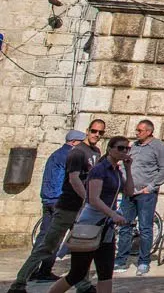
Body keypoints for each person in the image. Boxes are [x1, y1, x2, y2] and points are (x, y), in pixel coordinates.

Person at [8, 120, 105, 293]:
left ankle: (83, 285)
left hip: (81, 209)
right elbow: (74, 179)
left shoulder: (95, 152)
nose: (97, 135)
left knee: (80, 247)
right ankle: (19, 282)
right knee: (48, 246)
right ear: (87, 131)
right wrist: (88, 199)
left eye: (100, 132)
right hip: (67, 206)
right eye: (94, 131)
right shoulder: (77, 152)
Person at [47, 135, 134, 293]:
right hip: (90, 225)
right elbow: (93, 199)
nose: (124, 151)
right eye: (120, 148)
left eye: (127, 149)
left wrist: (128, 169)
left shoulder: (117, 172)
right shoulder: (99, 170)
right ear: (110, 149)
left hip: (105, 229)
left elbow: (129, 191)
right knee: (77, 273)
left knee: (106, 273)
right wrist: (113, 214)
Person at [114, 119, 164, 276]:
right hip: (129, 193)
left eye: (140, 130)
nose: (136, 132)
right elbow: (125, 165)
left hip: (145, 194)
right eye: (137, 130)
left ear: (149, 131)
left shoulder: (157, 147)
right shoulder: (134, 146)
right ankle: (120, 260)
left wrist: (151, 187)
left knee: (145, 227)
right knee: (125, 226)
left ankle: (143, 261)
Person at [27, 131, 84, 283]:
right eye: (81, 143)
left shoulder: (56, 154)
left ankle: (31, 271)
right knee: (56, 238)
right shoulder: (69, 156)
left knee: (44, 236)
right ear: (73, 142)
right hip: (59, 200)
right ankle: (45, 271)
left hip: (48, 199)